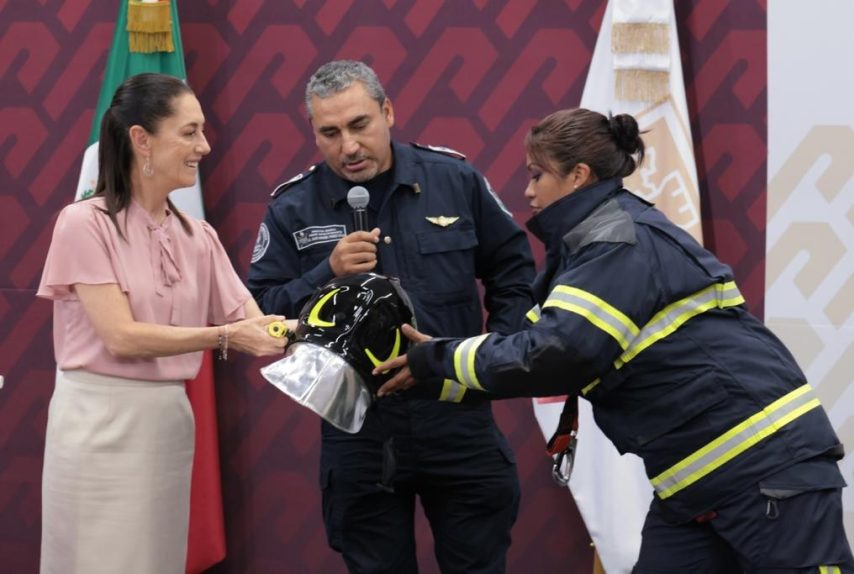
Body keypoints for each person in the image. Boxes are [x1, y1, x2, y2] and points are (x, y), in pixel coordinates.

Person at [374, 108, 854, 573]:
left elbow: (557, 354)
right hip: (694, 485)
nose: (527, 191)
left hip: (767, 468)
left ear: (579, 175)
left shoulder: (616, 242)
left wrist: (435, 358)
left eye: (537, 175)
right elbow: (528, 351)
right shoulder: (587, 249)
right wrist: (424, 373)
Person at [247, 60, 536, 573]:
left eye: (360, 125)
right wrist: (325, 273)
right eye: (330, 133)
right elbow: (261, 314)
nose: (349, 147)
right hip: (358, 426)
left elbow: (514, 271)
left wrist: (494, 356)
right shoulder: (292, 207)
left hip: (455, 411)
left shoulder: (454, 179)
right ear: (313, 132)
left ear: (388, 112)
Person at [37, 73, 290, 574]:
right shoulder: (84, 223)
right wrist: (221, 337)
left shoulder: (199, 236)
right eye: (190, 131)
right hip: (98, 427)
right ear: (141, 139)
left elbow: (257, 326)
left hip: (167, 427)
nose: (205, 145)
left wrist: (330, 322)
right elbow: (121, 336)